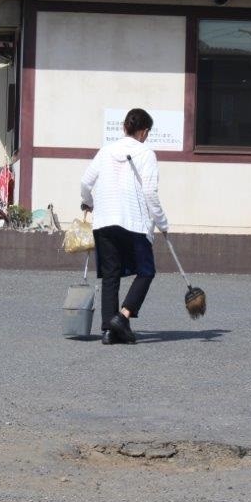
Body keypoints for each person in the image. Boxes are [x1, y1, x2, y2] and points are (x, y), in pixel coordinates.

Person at [80, 108, 169, 345]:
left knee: (110, 275)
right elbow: (150, 192)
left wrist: (88, 202)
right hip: (133, 221)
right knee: (147, 271)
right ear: (144, 132)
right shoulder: (146, 154)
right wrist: (162, 222)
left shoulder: (106, 151)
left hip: (105, 220)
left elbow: (86, 181)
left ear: (124, 128)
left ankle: (110, 330)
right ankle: (123, 316)